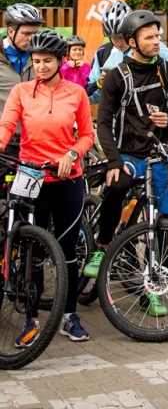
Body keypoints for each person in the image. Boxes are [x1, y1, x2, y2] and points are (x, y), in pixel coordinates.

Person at [83, 10, 168, 317]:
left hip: (161, 155)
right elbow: (102, 122)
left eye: (158, 36)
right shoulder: (118, 75)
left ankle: (154, 282)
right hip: (129, 155)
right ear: (132, 42)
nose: (157, 41)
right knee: (118, 184)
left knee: (165, 218)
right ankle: (102, 248)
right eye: (149, 37)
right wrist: (114, 159)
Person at [0, 29, 94, 345]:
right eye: (36, 61)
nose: (40, 66)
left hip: (67, 178)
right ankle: (31, 320)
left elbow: (87, 136)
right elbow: (6, 125)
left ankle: (69, 316)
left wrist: (72, 153)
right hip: (31, 176)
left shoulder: (76, 93)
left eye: (47, 61)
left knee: (67, 251)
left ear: (59, 61)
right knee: (32, 252)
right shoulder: (22, 92)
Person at [86, 0, 168, 106]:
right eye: (113, 38)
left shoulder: (155, 49)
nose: (118, 43)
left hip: (153, 120)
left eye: (120, 37)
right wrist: (100, 84)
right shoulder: (103, 53)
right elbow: (88, 98)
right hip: (117, 122)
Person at [0, 3, 45, 170]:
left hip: (35, 140)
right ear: (11, 31)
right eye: (26, 33)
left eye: (35, 33)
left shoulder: (41, 58)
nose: (32, 39)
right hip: (4, 140)